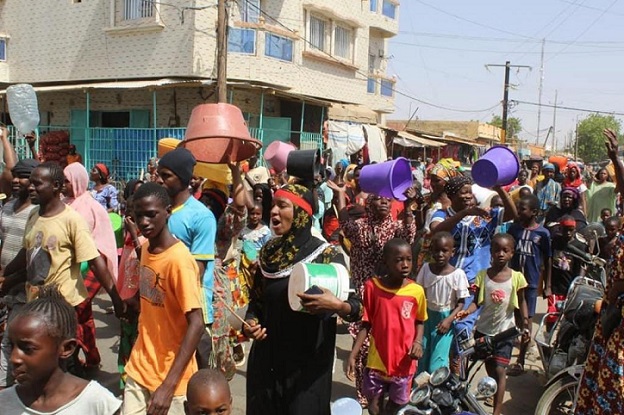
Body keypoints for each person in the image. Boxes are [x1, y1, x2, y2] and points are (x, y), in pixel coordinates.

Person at [243, 184, 362, 415]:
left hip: (306, 370)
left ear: (301, 214)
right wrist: (251, 323)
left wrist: (338, 306)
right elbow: (256, 302)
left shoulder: (326, 256)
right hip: (266, 364)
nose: (274, 211)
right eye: (273, 205)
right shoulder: (268, 253)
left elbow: (358, 307)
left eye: (282, 205)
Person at [0, 162, 124, 376]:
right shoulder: (34, 216)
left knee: (57, 361)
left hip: (62, 305)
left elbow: (95, 260)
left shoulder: (72, 220)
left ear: (56, 186)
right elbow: (27, 252)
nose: (31, 187)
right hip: (35, 301)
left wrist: (116, 299)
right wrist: (5, 274)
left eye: (38, 184)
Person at [328, 181, 418, 405]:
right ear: (369, 203)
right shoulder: (359, 226)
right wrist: (340, 195)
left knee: (387, 342)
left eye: (387, 199)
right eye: (378, 199)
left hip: (389, 294)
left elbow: (409, 235)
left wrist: (408, 206)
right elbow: (344, 222)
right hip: (363, 293)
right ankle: (364, 392)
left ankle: (387, 388)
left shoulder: (396, 227)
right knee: (364, 344)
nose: (384, 202)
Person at [123, 182, 205, 415]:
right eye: (139, 216)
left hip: (172, 378)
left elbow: (196, 323)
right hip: (140, 367)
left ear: (167, 212)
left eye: (151, 215)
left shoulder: (179, 260)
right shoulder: (147, 249)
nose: (144, 222)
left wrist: (168, 386)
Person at [430, 175, 518, 373]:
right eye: (464, 193)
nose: (469, 196)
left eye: (470, 192)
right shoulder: (441, 214)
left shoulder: (484, 216)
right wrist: (465, 213)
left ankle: (458, 372)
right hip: (447, 281)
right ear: (452, 196)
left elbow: (512, 214)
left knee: (462, 326)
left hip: (473, 283)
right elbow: (435, 231)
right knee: (441, 325)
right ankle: (439, 370)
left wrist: (500, 189)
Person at [0, 287, 121, 414]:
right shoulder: (5, 403)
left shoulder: (96, 402)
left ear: (67, 349)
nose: (13, 358)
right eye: (11, 346)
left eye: (28, 349)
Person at [347, 238, 427, 415]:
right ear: (386, 262)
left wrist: (418, 342)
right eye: (398, 260)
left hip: (404, 362)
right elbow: (366, 323)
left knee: (395, 407)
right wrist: (353, 355)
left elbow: (420, 321)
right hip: (378, 360)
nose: (405, 265)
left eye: (409, 259)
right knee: (374, 407)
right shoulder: (372, 287)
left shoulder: (417, 292)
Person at [576, 128, 624, 414]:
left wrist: (613, 303)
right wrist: (615, 157)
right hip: (612, 316)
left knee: (613, 389)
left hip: (618, 322)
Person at [156, 148, 216, 369]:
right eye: (158, 175)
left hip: (193, 309)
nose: (159, 181)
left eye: (166, 175)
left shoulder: (201, 216)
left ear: (183, 178)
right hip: (163, 304)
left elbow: (197, 270)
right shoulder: (161, 212)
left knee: (197, 372)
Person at [456, 234, 529, 415]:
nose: (500, 254)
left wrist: (525, 323)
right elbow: (476, 302)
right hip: (484, 330)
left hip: (505, 332)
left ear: (512, 253)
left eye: (505, 250)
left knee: (500, 369)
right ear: (491, 252)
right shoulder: (483, 276)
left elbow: (522, 303)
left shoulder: (517, 278)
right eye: (497, 250)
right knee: (490, 368)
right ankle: (491, 392)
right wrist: (467, 311)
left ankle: (496, 411)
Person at [62, 162, 119, 370]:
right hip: (74, 267)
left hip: (94, 263)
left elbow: (91, 243)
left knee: (78, 308)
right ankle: (89, 356)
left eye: (67, 182)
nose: (63, 185)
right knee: (80, 312)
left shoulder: (89, 206)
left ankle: (73, 358)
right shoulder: (63, 203)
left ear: (78, 182)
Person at [0, 158, 39, 388]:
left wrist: (9, 278)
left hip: (24, 285)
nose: (16, 180)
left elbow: (33, 256)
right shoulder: (7, 207)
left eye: (22, 176)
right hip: (5, 281)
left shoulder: (37, 212)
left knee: (16, 340)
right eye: (15, 176)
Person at [507, 195, 552, 376]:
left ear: (534, 212)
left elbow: (548, 259)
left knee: (528, 319)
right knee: (516, 316)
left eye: (522, 209)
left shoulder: (543, 233)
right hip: (513, 282)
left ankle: (521, 360)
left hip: (531, 282)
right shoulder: (514, 229)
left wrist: (548, 285)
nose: (518, 212)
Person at [415, 231, 469, 374]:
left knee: (437, 362)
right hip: (426, 317)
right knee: (422, 356)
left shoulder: (458, 274)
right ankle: (420, 392)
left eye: (444, 251)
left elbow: (461, 302)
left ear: (452, 252)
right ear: (431, 251)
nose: (440, 254)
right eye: (436, 250)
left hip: (445, 319)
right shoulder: (426, 268)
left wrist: (449, 320)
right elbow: (419, 293)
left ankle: (438, 391)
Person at [545, 215, 589, 329]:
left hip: (570, 287)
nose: (568, 233)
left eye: (571, 230)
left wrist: (577, 288)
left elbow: (581, 267)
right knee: (551, 316)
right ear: (560, 229)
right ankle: (547, 340)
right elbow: (549, 262)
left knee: (568, 319)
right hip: (555, 287)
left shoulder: (579, 245)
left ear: (575, 230)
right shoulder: (555, 241)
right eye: (565, 230)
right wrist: (548, 285)